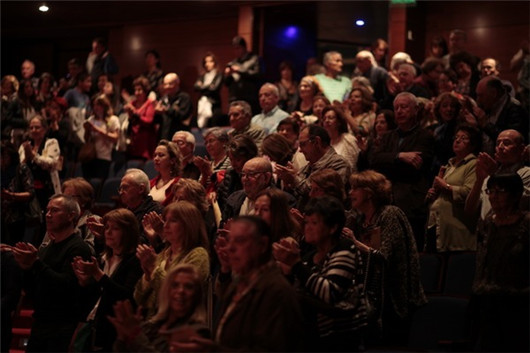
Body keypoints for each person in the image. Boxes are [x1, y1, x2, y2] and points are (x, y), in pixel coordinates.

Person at [174, 216, 304, 352]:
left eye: (240, 241)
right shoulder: (241, 281)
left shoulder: (277, 291)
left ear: (263, 245)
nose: (230, 248)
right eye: (230, 241)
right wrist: (225, 269)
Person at [1, 194, 93, 352]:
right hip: (41, 322)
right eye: (47, 210)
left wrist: (35, 263)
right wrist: (26, 267)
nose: (48, 215)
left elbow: (66, 286)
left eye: (55, 211)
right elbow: (34, 288)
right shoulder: (47, 248)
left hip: (62, 325)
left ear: (71, 215)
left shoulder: (78, 248)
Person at [273, 196, 366, 351]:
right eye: (307, 222)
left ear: (333, 227)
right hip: (311, 337)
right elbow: (293, 293)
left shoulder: (344, 249)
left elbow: (329, 292)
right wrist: (286, 270)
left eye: (314, 223)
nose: (307, 228)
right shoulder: (310, 256)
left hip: (339, 340)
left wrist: (295, 264)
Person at [346, 171, 426, 346]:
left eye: (355, 189)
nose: (350, 193)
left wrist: (355, 242)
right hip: (368, 296)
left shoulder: (390, 214)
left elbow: (383, 257)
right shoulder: (358, 219)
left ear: (369, 192)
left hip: (392, 298)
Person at [369, 92, 434, 251]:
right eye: (396, 108)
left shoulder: (425, 136)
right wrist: (400, 156)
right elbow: (374, 160)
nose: (399, 111)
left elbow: (413, 168)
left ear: (416, 109)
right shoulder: (388, 137)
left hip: (411, 203)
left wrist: (389, 161)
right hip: (386, 200)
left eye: (404, 107)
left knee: (410, 250)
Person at [71, 208, 142, 352]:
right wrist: (85, 282)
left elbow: (126, 296)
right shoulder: (104, 258)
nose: (108, 232)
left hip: (115, 331)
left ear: (128, 232)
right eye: (107, 227)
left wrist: (97, 274)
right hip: (93, 324)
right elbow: (97, 294)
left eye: (115, 228)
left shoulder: (136, 260)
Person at [472, 173, 529, 352]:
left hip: (518, 301)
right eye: (491, 191)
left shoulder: (526, 224)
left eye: (500, 191)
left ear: (515, 195)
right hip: (488, 299)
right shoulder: (487, 222)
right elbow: (482, 261)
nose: (493, 196)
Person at [134, 201, 210, 319]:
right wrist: (147, 275)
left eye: (173, 221)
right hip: (154, 324)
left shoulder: (198, 254)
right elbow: (139, 298)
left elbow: (179, 296)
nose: (165, 225)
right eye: (165, 220)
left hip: (181, 327)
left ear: (189, 225)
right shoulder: (164, 253)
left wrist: (153, 268)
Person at [111, 264, 208, 352]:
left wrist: (135, 334)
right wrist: (122, 338)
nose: (181, 291)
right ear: (166, 291)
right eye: (175, 285)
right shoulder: (151, 325)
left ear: (197, 295)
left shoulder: (198, 332)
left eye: (188, 287)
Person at [426, 125, 479, 252]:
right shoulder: (449, 165)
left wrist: (445, 186)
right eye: (456, 137)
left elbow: (470, 193)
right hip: (437, 223)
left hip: (457, 229)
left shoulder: (474, 164)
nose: (458, 140)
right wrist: (432, 193)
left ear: (473, 144)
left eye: (463, 138)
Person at [276, 124, 351, 209]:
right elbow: (297, 198)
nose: (300, 150)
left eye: (303, 144)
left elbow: (321, 196)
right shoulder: (306, 167)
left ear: (317, 142)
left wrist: (294, 179)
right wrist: (288, 184)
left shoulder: (339, 163)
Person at [465, 129, 530, 222]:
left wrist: (494, 174)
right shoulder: (490, 175)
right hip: (488, 231)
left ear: (521, 148)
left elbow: (519, 202)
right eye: (497, 143)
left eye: (506, 143)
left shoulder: (527, 173)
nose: (500, 147)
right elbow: (469, 210)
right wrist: (479, 180)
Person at [41, 178, 102, 253]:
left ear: (84, 200)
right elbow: (43, 248)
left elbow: (90, 251)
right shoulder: (57, 218)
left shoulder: (93, 220)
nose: (65, 201)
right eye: (64, 196)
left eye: (70, 197)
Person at [18, 115, 61, 214]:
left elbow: (51, 163)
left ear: (45, 129)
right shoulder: (25, 146)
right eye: (31, 127)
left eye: (37, 127)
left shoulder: (51, 143)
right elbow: (21, 167)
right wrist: (26, 157)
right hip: (29, 189)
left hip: (47, 187)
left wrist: (33, 156)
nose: (34, 130)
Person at [1, 140, 37, 245]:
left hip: (16, 217)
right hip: (2, 217)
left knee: (12, 247)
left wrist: (10, 196)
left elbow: (30, 193)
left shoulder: (21, 168)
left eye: (4, 156)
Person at [475, 75, 528, 145]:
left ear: (494, 93)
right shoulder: (487, 106)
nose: (478, 100)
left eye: (481, 96)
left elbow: (510, 141)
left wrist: (486, 124)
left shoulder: (515, 109)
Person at [117, 168, 163, 245]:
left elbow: (144, 243)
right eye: (120, 189)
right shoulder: (125, 212)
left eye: (125, 187)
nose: (121, 192)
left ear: (141, 189)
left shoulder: (154, 212)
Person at [216, 135, 258, 211]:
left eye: (238, 160)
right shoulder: (230, 174)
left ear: (250, 157)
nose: (233, 164)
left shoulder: (260, 174)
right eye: (231, 160)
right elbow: (225, 205)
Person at [82, 94, 120, 179]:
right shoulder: (91, 119)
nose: (96, 107)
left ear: (104, 106)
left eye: (98, 104)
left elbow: (115, 138)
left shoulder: (113, 119)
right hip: (90, 156)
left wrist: (97, 130)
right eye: (94, 105)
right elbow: (86, 139)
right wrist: (87, 130)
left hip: (104, 157)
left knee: (99, 184)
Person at [224, 36, 262, 115]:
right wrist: (227, 75)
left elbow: (258, 75)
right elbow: (226, 83)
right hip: (235, 99)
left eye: (238, 48)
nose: (236, 51)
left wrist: (239, 70)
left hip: (250, 99)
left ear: (244, 48)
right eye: (234, 48)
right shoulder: (232, 63)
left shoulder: (254, 59)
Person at [124, 76, 157, 160]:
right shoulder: (133, 103)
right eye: (135, 90)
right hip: (133, 141)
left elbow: (148, 121)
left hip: (145, 142)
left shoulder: (149, 103)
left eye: (139, 90)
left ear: (145, 91)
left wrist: (134, 112)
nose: (137, 93)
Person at [321, 105, 360, 171]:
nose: (327, 121)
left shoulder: (348, 139)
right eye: (324, 118)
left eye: (330, 118)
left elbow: (351, 166)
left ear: (339, 122)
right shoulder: (324, 143)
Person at [155, 73, 193, 140]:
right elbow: (158, 121)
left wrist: (166, 110)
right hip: (164, 137)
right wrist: (156, 113)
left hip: (180, 139)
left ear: (177, 83)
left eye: (170, 84)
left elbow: (183, 116)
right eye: (165, 84)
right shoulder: (163, 99)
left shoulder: (184, 98)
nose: (167, 87)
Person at [148, 140, 182, 206]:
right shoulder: (151, 183)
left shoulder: (178, 184)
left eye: (161, 155)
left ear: (172, 160)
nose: (156, 158)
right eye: (155, 155)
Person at [194, 52, 223, 128]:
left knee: (214, 128)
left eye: (210, 61)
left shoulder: (218, 74)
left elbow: (214, 88)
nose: (207, 64)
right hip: (203, 103)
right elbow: (196, 87)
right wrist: (208, 86)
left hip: (214, 104)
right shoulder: (202, 76)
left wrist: (202, 86)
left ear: (214, 63)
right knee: (203, 128)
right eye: (206, 62)